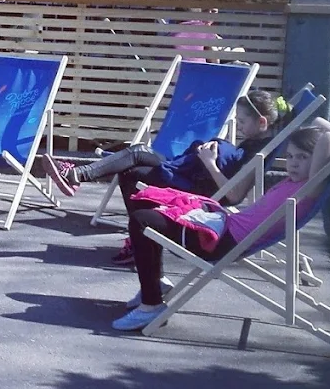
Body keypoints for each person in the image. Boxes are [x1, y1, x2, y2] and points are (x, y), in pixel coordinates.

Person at [111, 118, 330, 332]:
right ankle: (156, 285)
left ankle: (151, 305)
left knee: (142, 220)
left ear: (319, 163)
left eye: (303, 157)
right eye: (291, 156)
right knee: (152, 207)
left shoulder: (310, 189)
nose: (293, 163)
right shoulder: (297, 181)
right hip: (224, 225)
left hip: (222, 241)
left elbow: (329, 138)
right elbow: (325, 132)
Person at [43, 90, 290, 263]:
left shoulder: (259, 152)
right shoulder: (257, 142)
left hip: (204, 192)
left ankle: (75, 175)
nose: (241, 125)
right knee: (131, 170)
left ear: (262, 122)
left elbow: (234, 195)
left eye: (244, 121)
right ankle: (138, 239)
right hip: (192, 176)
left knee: (138, 152)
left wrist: (209, 162)